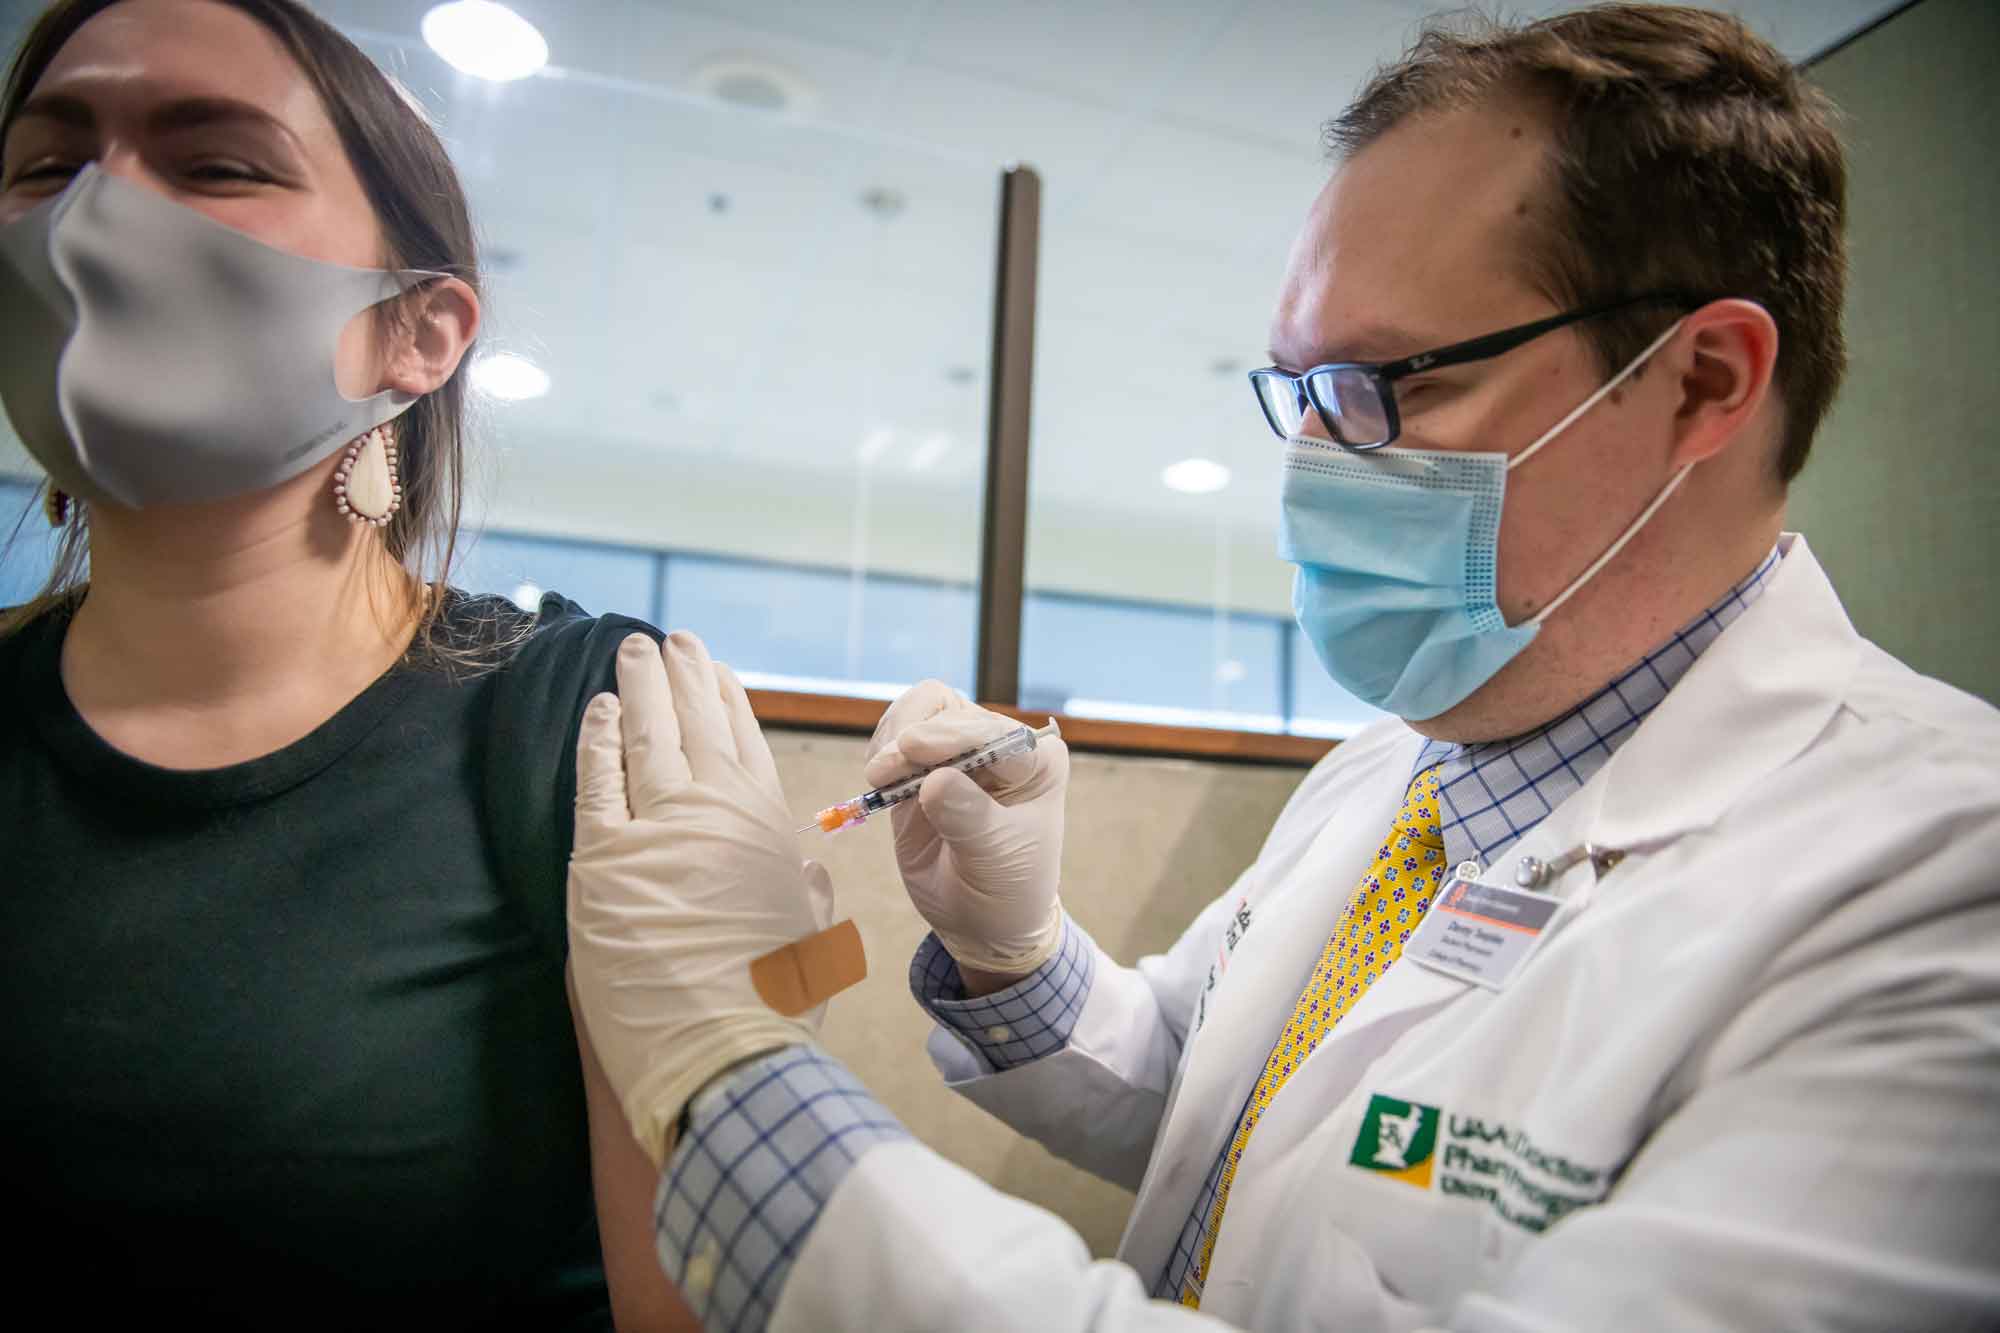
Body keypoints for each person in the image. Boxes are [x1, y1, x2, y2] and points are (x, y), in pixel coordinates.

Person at [563, 6, 2000, 1331]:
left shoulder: (1935, 886)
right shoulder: (1402, 766)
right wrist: (1017, 951)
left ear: (1702, 381)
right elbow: (1204, 1092)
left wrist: (727, 1074)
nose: (1317, 462)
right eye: (1302, 389)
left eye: (1399, 381)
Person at [0, 1, 693, 1326]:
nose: (96, 211)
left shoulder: (579, 727)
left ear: (415, 334)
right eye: (46, 162)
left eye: (215, 163)